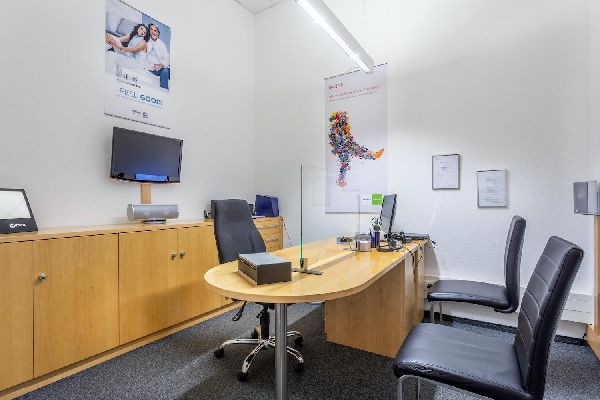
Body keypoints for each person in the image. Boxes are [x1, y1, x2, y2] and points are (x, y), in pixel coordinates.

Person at [145, 23, 170, 90]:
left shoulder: (162, 44)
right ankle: (164, 91)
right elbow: (143, 57)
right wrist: (153, 66)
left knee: (167, 70)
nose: (153, 32)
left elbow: (166, 58)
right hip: (152, 68)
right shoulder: (145, 41)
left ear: (158, 34)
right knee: (165, 71)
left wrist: (161, 65)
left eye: (155, 30)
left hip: (162, 66)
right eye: (151, 29)